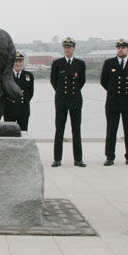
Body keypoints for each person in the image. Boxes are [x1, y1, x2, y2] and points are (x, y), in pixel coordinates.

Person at [100, 39, 128, 166]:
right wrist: (113, 91)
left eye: (123, 47)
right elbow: (104, 81)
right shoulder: (109, 63)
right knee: (111, 130)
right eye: (118, 47)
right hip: (113, 102)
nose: (120, 49)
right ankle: (109, 156)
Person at [50, 37, 86, 167]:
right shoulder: (57, 63)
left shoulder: (80, 64)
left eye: (69, 47)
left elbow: (81, 82)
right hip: (61, 100)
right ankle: (57, 158)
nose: (67, 49)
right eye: (65, 47)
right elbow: (53, 82)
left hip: (75, 100)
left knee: (76, 130)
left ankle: (78, 159)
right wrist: (62, 93)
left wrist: (73, 92)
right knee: (59, 130)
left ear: (74, 48)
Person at [3, 51, 34, 131]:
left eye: (20, 61)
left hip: (23, 110)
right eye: (16, 61)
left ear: (23, 62)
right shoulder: (6, 76)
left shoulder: (29, 76)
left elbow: (30, 93)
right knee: (9, 134)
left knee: (23, 133)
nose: (18, 64)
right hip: (9, 110)